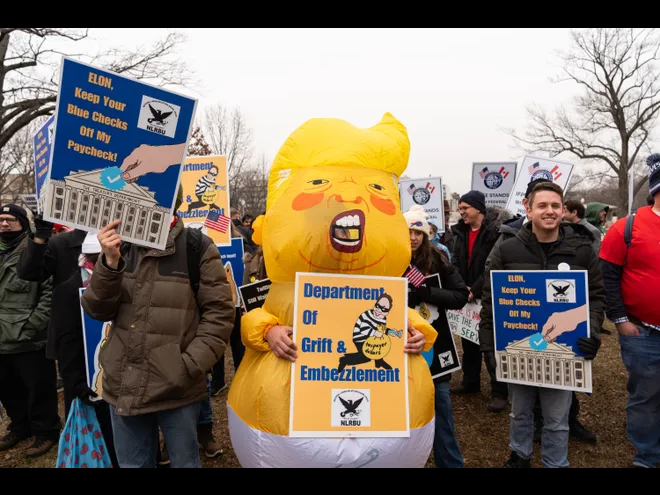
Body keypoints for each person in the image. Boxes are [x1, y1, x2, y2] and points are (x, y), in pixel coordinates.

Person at [81, 207, 235, 469]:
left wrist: (186, 366)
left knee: (185, 463)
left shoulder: (195, 246)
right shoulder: (121, 245)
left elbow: (219, 315)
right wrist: (109, 264)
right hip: (124, 384)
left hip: (177, 387)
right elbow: (97, 309)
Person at [480, 182, 605, 468]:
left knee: (557, 419)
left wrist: (592, 333)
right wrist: (490, 350)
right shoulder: (507, 251)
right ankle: (519, 456)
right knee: (519, 412)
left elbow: (596, 299)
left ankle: (555, 463)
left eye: (555, 206)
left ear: (563, 210)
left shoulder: (582, 252)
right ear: (528, 208)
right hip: (518, 352)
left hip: (563, 353)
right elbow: (491, 306)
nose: (549, 211)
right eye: (542, 205)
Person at [17, 218, 119, 467]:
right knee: (87, 408)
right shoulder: (62, 244)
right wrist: (40, 233)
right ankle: (92, 457)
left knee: (119, 412)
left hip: (119, 341)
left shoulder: (127, 242)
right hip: (75, 348)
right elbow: (29, 272)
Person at [599, 152, 660, 469]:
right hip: (643, 332)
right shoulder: (627, 227)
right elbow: (607, 276)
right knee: (646, 396)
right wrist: (620, 320)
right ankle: (648, 456)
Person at [404, 206, 468, 468]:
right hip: (399, 347)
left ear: (425, 233)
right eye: (407, 231)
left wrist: (425, 293)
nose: (412, 237)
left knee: (441, 408)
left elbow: (461, 296)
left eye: (417, 232)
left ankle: (450, 463)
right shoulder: (386, 259)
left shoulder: (438, 259)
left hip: (435, 349)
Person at [0, 205, 59, 458]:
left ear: (23, 223)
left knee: (39, 388)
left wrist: (33, 325)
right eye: (0, 220)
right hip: (1, 336)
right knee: (7, 387)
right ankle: (19, 427)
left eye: (10, 220)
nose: (3, 224)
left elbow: (49, 292)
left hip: (28, 335)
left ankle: (46, 431)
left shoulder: (34, 249)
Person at [451, 190, 509, 413]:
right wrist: (460, 285)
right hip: (466, 294)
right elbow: (456, 260)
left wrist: (474, 289)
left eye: (465, 208)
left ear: (478, 208)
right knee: (468, 339)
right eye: (460, 208)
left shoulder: (496, 233)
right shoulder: (460, 232)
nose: (461, 212)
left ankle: (499, 391)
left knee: (490, 344)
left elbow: (493, 264)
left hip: (489, 294)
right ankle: (470, 382)